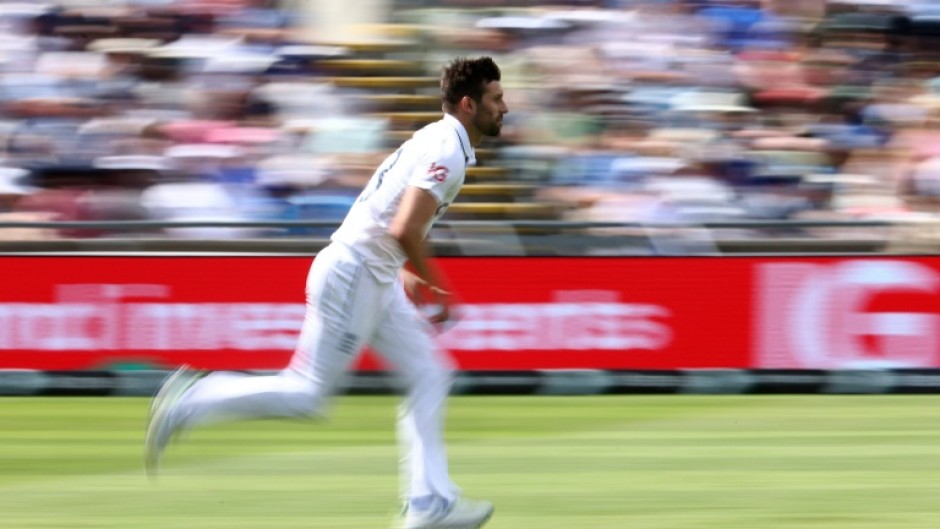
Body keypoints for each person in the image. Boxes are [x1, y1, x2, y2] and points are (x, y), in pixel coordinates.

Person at [144, 56, 508, 529]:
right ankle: (192, 399)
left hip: (371, 274)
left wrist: (407, 272)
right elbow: (403, 228)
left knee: (431, 373)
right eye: (496, 99)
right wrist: (437, 285)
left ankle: (427, 504)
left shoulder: (438, 137)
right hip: (354, 275)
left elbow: (393, 219)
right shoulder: (448, 149)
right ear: (468, 103)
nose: (505, 107)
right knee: (307, 394)